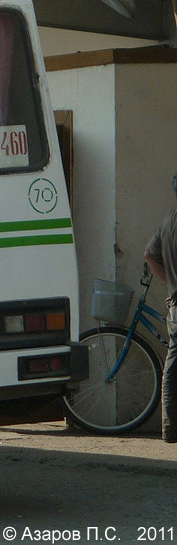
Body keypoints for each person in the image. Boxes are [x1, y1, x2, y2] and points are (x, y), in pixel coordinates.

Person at [144, 172, 177, 444]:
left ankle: (170, 428)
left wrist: (169, 282)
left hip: (175, 303)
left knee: (173, 365)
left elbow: (149, 255)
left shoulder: (168, 221)